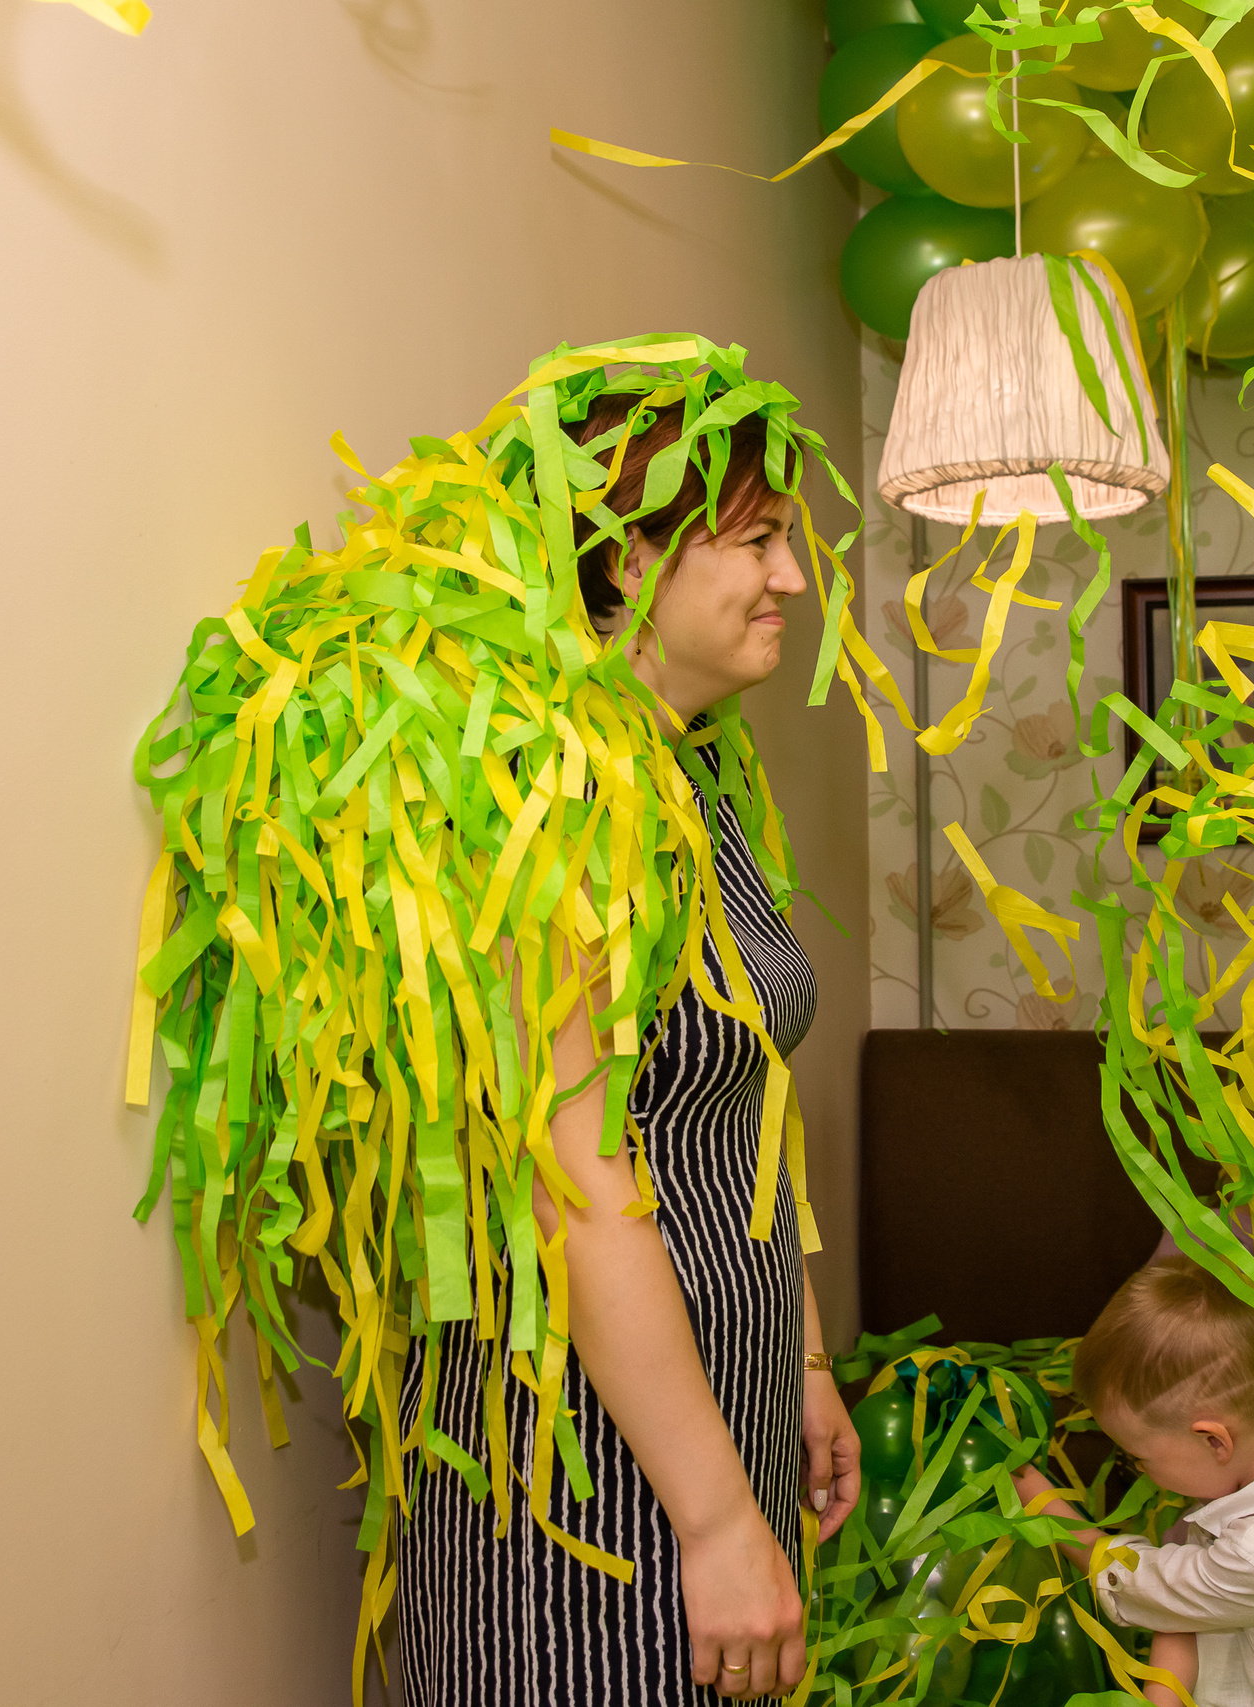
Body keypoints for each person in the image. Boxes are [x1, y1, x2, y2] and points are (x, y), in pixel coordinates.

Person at [397, 386, 861, 1705]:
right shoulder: (549, 803)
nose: (792, 579)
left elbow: (740, 1106)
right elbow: (572, 1183)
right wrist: (712, 1523)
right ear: (630, 557)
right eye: (759, 541)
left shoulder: (694, 773)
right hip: (594, 1463)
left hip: (721, 1407)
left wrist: (802, 1358)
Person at [1012, 1258, 1254, 1707]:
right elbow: (1177, 1604)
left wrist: (1036, 1493)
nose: (1139, 1470)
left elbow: (1135, 1583)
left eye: (1139, 1457)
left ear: (1213, 1441)